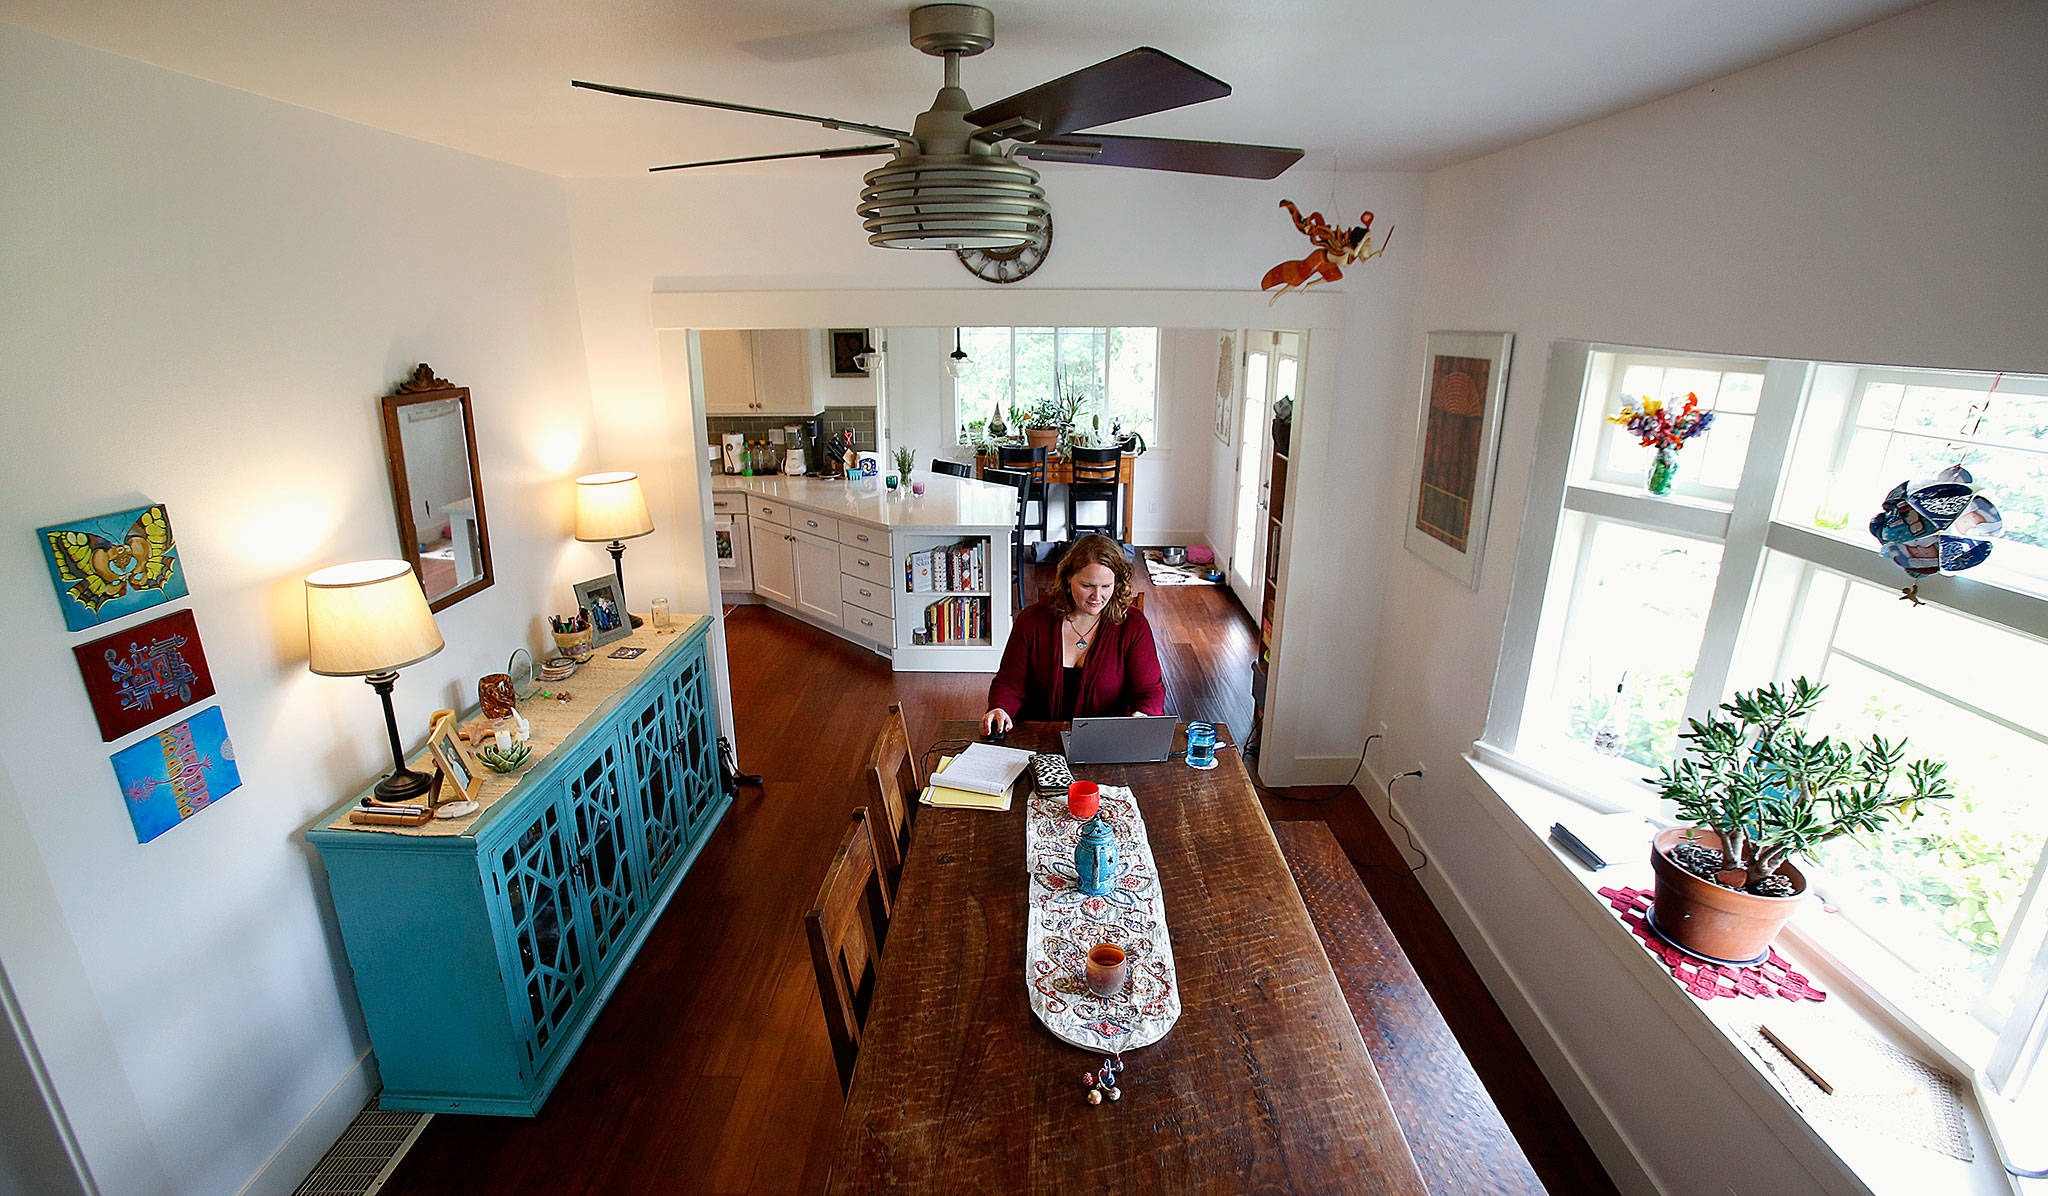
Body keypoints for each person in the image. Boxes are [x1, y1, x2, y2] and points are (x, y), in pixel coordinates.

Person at [983, 534, 1165, 734]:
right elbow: (1010, 682)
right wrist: (1000, 708)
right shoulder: (1032, 620)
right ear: (1068, 578)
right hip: (1039, 738)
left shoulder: (1133, 624)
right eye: (1087, 586)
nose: (1097, 597)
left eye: (1106, 586)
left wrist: (1143, 714)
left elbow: (1149, 690)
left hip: (1108, 739)